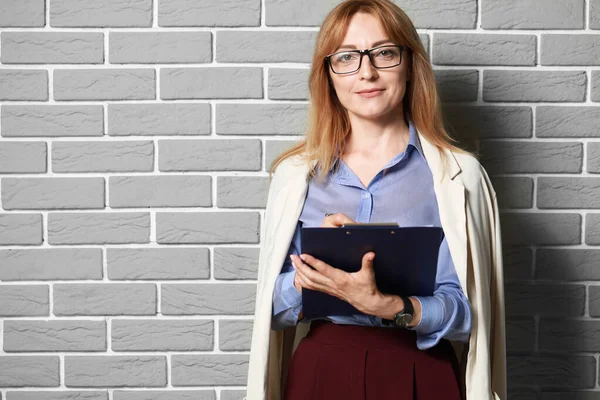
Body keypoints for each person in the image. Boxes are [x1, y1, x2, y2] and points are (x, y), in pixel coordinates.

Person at [246, 0, 506, 399]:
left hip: (422, 370)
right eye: (346, 57)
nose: (366, 72)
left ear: (409, 63)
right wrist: (314, 276)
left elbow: (469, 318)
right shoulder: (295, 176)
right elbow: (274, 313)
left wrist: (392, 306)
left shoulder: (458, 177)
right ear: (328, 74)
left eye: (384, 53)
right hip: (321, 370)